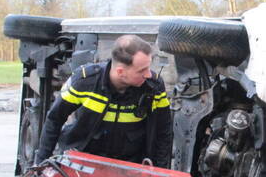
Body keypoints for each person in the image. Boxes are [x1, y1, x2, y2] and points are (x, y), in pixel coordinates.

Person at [35, 34, 172, 168]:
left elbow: (163, 132)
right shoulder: (84, 82)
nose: (149, 74)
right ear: (120, 72)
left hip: (129, 166)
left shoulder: (154, 86)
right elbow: (54, 119)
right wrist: (40, 164)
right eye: (142, 70)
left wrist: (161, 173)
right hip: (83, 161)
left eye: (149, 67)